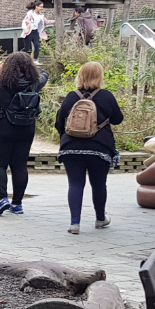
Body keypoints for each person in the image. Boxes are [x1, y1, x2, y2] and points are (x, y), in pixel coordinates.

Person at [55, 61, 124, 234]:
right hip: (99, 148)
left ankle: (74, 223)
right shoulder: (106, 96)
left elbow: (58, 122)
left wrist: (67, 137)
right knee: (99, 184)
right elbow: (118, 119)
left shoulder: (71, 96)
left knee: (75, 184)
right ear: (100, 77)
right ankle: (100, 219)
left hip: (71, 148)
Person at [0, 52, 48, 215]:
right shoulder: (35, 84)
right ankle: (17, 204)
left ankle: (2, 199)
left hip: (2, 127)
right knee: (20, 165)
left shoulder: (0, 87)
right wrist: (31, 65)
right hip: (26, 128)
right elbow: (45, 73)